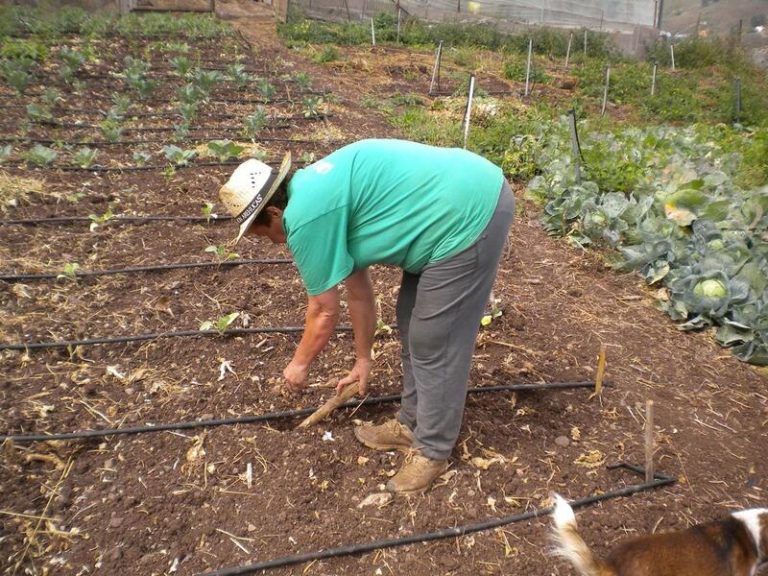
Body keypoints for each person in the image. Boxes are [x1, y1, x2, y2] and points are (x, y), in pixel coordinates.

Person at [218, 139, 515, 494]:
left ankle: (433, 449)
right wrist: (362, 359)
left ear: (274, 214)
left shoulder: (304, 216)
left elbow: (323, 311)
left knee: (435, 338)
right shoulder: (315, 193)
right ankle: (411, 423)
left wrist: (298, 367)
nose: (273, 243)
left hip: (469, 211)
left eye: (264, 233)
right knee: (410, 322)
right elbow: (358, 293)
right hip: (448, 207)